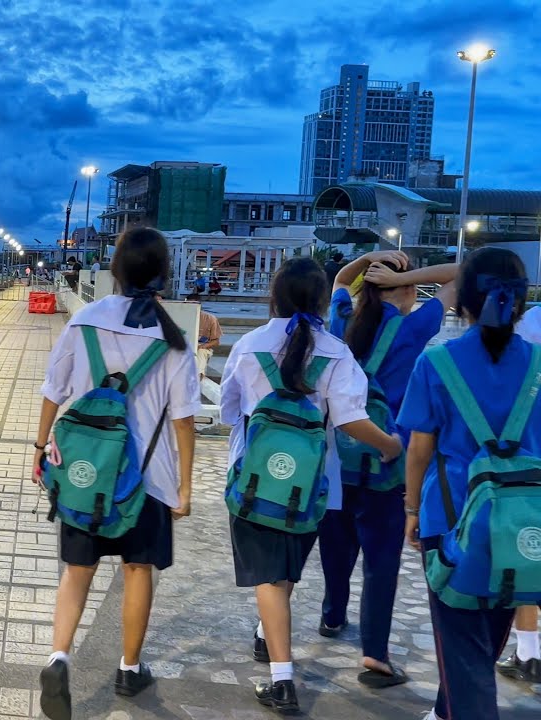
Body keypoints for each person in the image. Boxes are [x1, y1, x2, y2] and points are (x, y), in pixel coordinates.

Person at [220, 257, 402, 713]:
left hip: (253, 482)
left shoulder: (248, 345)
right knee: (285, 573)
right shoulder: (337, 351)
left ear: (274, 296)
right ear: (323, 302)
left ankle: (282, 679)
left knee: (269, 575)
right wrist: (391, 446)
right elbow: (351, 420)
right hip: (314, 488)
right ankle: (268, 634)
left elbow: (228, 412)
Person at [35, 227, 200, 719]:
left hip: (86, 473)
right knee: (136, 571)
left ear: (115, 270)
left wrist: (40, 448)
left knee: (77, 571)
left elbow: (53, 388)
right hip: (148, 480)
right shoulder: (172, 339)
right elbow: (184, 419)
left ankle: (59, 655)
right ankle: (129, 667)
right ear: (164, 274)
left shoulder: (85, 322)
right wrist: (186, 487)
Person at [399, 248, 541, 720]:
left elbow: (420, 449)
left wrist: (412, 509)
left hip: (452, 519)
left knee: (461, 645)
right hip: (521, 525)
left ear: (465, 302)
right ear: (519, 302)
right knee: (488, 628)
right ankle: (445, 710)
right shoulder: (539, 366)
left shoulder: (437, 363)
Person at [317, 250, 459, 687]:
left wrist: (371, 260)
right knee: (381, 561)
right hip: (388, 459)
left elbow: (341, 278)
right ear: (411, 292)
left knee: (336, 545)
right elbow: (463, 272)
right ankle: (375, 653)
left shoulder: (342, 317)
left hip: (338, 456)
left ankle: (332, 615)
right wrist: (408, 273)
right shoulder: (415, 326)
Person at [497, 305, 541, 684]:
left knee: (527, 557)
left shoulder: (532, 322)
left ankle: (529, 651)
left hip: (528, 463)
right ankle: (527, 652)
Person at [196, 309, 221, 377]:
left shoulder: (210, 318)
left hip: (201, 346)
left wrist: (204, 346)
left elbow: (216, 341)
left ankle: (198, 377)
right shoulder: (181, 316)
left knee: (201, 352)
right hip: (184, 344)